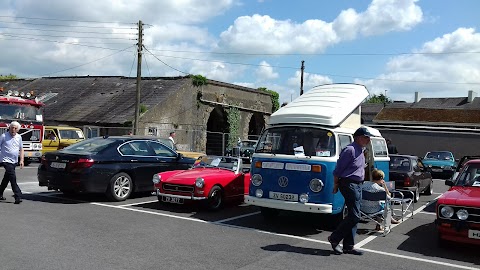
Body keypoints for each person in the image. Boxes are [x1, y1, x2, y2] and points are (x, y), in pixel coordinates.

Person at [328, 127, 373, 256]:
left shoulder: (361, 150)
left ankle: (348, 246)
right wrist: (336, 185)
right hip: (348, 184)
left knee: (354, 215)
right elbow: (338, 170)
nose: (368, 140)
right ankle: (334, 238)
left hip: (358, 184)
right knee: (355, 216)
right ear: (358, 137)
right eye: (366, 137)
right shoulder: (350, 150)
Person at [0, 121, 24, 204]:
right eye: (12, 127)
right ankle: (18, 196)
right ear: (9, 128)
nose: (13, 129)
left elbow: (21, 149)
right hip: (5, 160)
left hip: (14, 161)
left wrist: (21, 160)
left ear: (18, 129)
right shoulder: (4, 136)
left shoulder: (19, 137)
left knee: (7, 178)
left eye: (15, 128)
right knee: (12, 178)